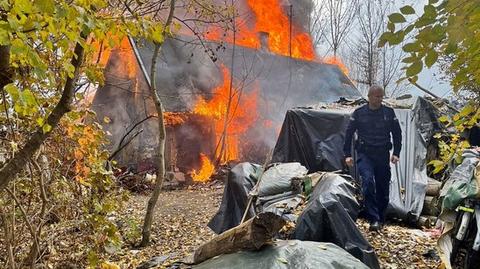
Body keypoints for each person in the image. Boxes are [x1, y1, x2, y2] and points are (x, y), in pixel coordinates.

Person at [343, 85, 402, 232]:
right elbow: (348, 134)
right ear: (369, 96)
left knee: (383, 186)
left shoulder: (388, 113)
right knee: (368, 182)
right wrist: (347, 155)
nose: (379, 99)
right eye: (377, 96)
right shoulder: (359, 113)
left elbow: (397, 133)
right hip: (365, 154)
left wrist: (397, 152)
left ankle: (381, 218)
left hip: (382, 154)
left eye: (381, 96)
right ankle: (374, 218)